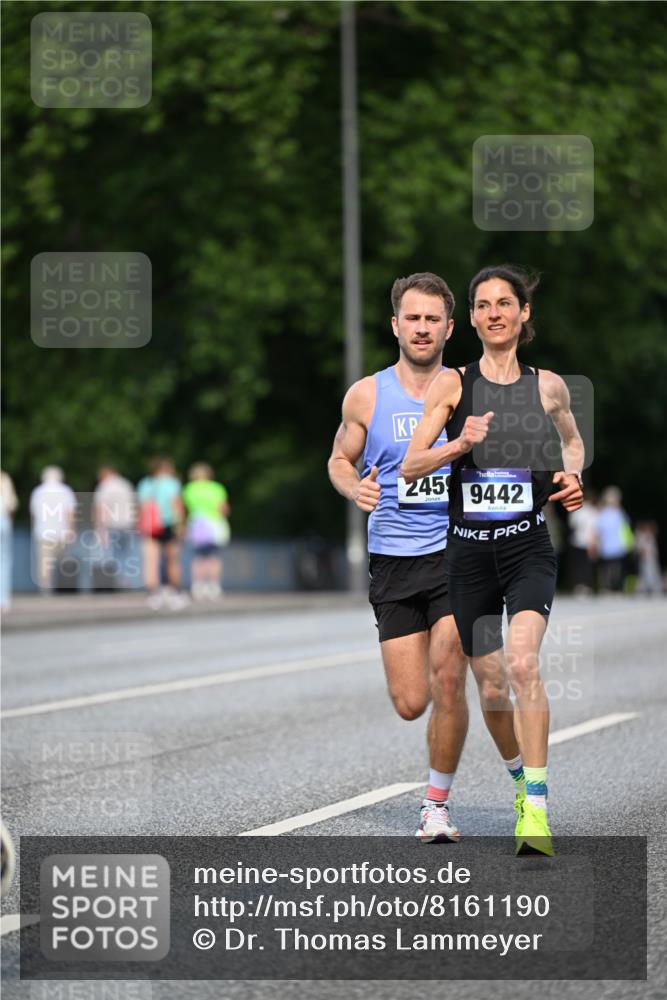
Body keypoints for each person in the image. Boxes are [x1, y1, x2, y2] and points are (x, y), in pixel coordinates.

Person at [328, 271, 528, 843]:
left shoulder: (470, 387)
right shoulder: (366, 394)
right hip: (392, 560)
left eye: (432, 319)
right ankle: (507, 777)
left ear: (448, 328)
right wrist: (353, 488)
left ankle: (438, 805)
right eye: (411, 318)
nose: (421, 328)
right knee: (411, 702)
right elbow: (340, 459)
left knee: (449, 678)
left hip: (458, 551)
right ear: (395, 325)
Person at [403, 264, 584, 856]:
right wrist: (460, 443)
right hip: (469, 556)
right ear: (473, 319)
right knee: (491, 684)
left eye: (504, 303)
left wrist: (572, 474)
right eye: (482, 305)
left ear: (523, 313)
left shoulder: (548, 385)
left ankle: (535, 808)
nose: (493, 313)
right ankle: (516, 780)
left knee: (525, 663)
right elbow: (411, 464)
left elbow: (572, 438)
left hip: (527, 546)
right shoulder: (451, 386)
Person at [137, 457, 188, 610]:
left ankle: (153, 593)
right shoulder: (172, 483)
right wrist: (181, 524)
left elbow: (141, 506)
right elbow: (176, 504)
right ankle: (174, 591)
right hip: (168, 523)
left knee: (151, 559)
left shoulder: (146, 483)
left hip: (150, 524)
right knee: (172, 559)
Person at [182, 463, 231, 600]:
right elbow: (224, 509)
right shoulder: (216, 488)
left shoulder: (189, 489)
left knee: (198, 558)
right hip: (214, 525)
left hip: (196, 525)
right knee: (213, 558)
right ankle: (214, 586)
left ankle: (198, 586)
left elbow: (183, 509)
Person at [29, 466, 77, 593]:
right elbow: (70, 513)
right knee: (64, 562)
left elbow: (34, 514)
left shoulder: (38, 492)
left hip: (43, 532)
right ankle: (65, 588)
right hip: (62, 532)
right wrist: (71, 530)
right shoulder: (66, 491)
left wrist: (34, 529)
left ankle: (45, 588)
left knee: (45, 563)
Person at [93, 465, 138, 588]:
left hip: (113, 524)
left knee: (113, 554)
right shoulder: (125, 484)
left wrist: (100, 527)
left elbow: (101, 509)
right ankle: (126, 580)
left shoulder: (105, 487)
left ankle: (115, 581)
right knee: (126, 554)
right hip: (128, 523)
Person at [597, 486, 632, 592]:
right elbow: (599, 530)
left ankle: (617, 587)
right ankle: (608, 587)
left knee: (618, 568)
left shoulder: (620, 513)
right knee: (607, 568)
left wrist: (628, 543)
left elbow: (626, 528)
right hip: (606, 546)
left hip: (619, 546)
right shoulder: (603, 513)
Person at [568, 488, 599, 595]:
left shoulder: (576, 509)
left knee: (578, 565)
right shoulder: (593, 512)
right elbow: (594, 529)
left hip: (576, 541)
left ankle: (579, 585)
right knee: (587, 566)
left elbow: (572, 525)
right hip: (588, 542)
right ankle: (587, 585)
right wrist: (594, 544)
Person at [0, 471, 18, 610]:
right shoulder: (5, 478)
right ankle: (3, 600)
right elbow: (12, 504)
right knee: (4, 561)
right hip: (3, 520)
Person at [634, 521, 662, 596]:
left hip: (651, 559)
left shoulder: (651, 537)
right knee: (645, 573)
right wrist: (644, 553)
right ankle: (644, 589)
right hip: (645, 559)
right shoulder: (641, 536)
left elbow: (653, 549)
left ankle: (654, 589)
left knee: (653, 573)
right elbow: (639, 548)